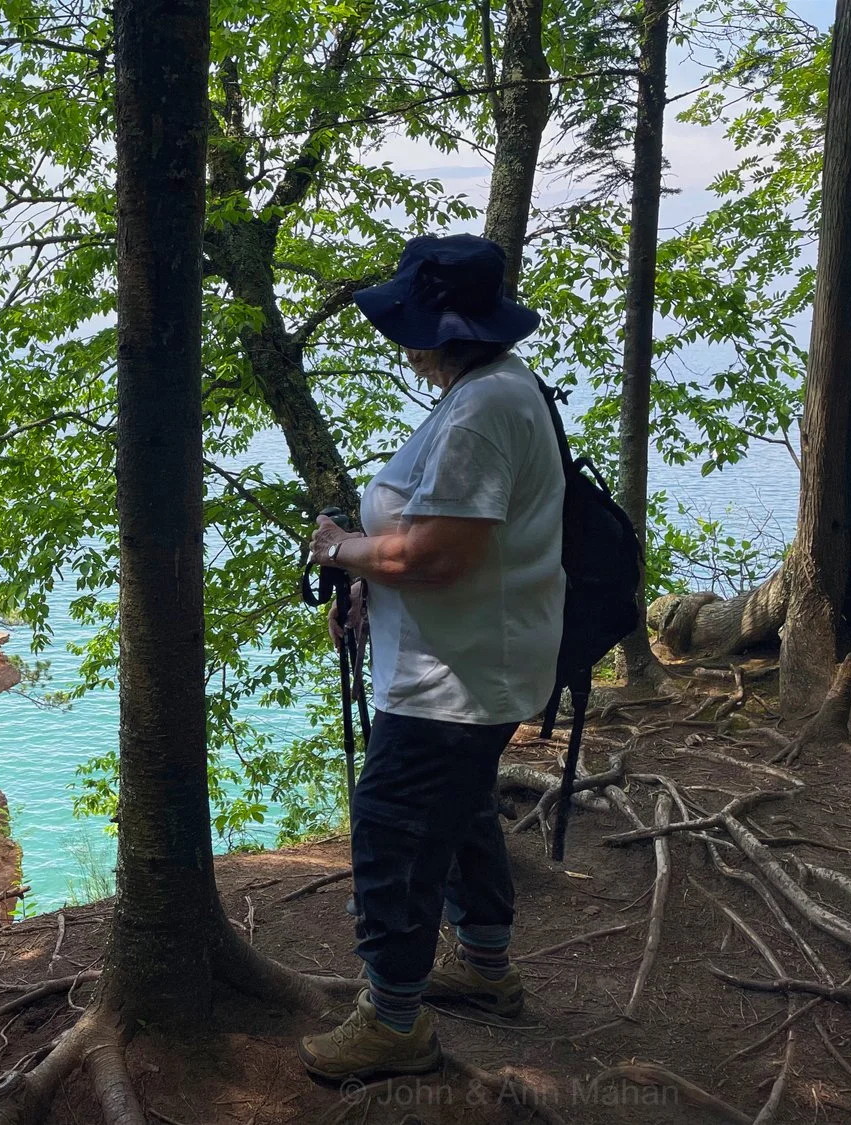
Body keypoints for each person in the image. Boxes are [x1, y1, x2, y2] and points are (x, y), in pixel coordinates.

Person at [296, 233, 566, 1084]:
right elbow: (435, 538)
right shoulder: (489, 391)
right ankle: (487, 971)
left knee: (393, 830)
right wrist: (377, 581)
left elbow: (439, 555)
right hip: (462, 664)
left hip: (451, 680)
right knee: (459, 813)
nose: (402, 342)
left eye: (410, 324)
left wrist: (344, 551)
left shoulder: (486, 409)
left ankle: (394, 1021)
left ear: (439, 330)